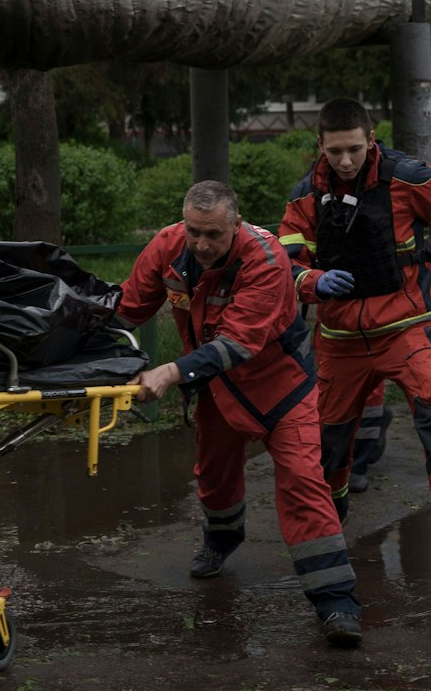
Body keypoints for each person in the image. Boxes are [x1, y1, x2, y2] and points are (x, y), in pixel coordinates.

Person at [279, 98, 431, 589]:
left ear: (371, 139)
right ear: (321, 147)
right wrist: (310, 281)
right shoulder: (306, 196)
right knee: (326, 448)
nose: (346, 161)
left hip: (408, 328)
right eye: (336, 152)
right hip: (340, 339)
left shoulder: (410, 179)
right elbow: (283, 262)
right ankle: (327, 548)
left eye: (355, 149)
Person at [118, 180, 363, 647]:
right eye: (194, 232)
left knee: (303, 483)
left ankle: (336, 603)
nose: (201, 245)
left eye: (213, 234)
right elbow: (127, 312)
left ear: (237, 223)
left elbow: (239, 343)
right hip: (213, 385)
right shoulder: (167, 247)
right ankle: (221, 540)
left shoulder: (265, 259)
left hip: (280, 386)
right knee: (214, 478)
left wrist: (169, 372)